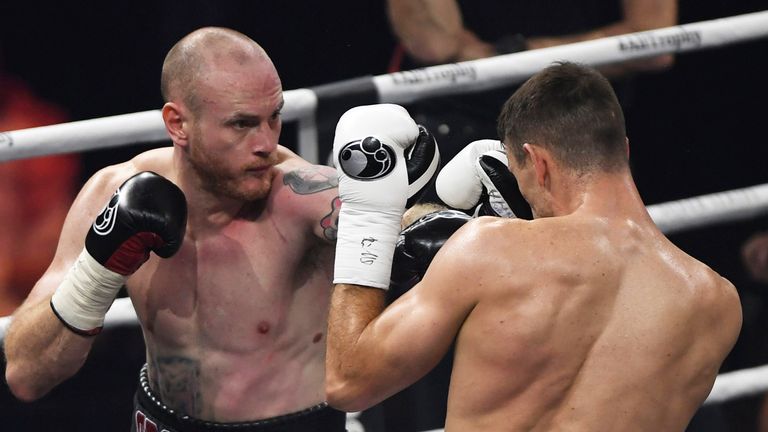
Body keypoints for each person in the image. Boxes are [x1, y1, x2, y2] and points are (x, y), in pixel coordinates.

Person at [325, 62, 742, 430]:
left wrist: (370, 218)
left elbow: (348, 383)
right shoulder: (716, 302)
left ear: (536, 162)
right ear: (624, 151)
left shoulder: (490, 250)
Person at [4, 27, 356, 432]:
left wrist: (399, 206)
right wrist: (98, 271)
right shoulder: (112, 191)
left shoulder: (305, 199)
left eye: (273, 116)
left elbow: (416, 233)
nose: (266, 143)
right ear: (178, 124)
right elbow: (25, 374)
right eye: (241, 124)